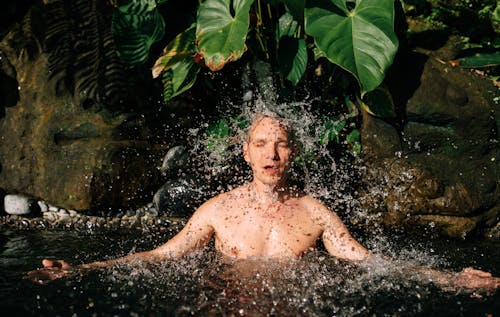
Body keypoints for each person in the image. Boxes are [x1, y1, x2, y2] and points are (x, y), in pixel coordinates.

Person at [26, 112, 500, 291]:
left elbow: (371, 263)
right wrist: (80, 271)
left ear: (293, 152)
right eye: (261, 144)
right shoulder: (216, 212)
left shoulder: (317, 213)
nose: (271, 155)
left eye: (282, 144)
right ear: (246, 151)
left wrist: (451, 278)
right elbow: (159, 256)